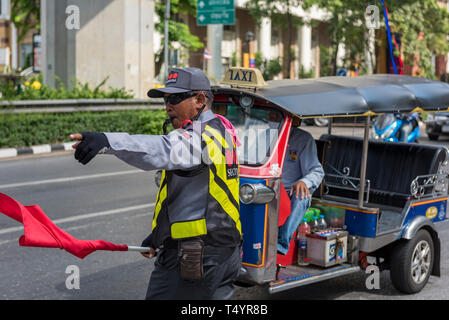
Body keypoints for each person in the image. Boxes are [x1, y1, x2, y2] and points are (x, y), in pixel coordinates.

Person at [70, 67, 242, 300]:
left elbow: (163, 149)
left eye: (175, 98)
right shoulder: (222, 129)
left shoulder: (201, 137)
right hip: (224, 252)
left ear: (200, 100)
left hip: (195, 255)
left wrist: (107, 140)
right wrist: (160, 234)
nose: (168, 106)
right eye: (165, 99)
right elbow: (194, 194)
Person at [277, 118, 325, 255]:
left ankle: (281, 244)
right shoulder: (264, 135)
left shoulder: (303, 139)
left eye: (276, 115)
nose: (272, 119)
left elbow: (317, 171)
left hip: (289, 190)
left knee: (301, 195)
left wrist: (304, 182)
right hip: (268, 186)